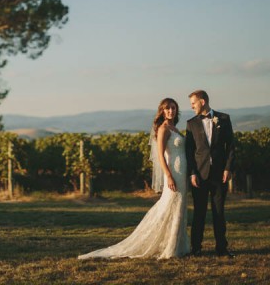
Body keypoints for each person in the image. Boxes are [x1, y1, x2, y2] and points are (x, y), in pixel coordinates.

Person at [78, 98, 190, 260]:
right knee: (170, 206)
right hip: (173, 172)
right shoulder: (163, 129)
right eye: (167, 109)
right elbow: (160, 156)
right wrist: (169, 176)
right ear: (162, 111)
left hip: (182, 172)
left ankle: (178, 245)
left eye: (173, 108)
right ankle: (169, 248)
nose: (171, 111)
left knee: (179, 207)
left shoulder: (175, 128)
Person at [185, 90, 235, 258]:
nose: (192, 107)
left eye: (194, 103)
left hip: (219, 175)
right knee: (199, 213)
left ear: (203, 101)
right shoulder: (190, 123)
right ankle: (196, 248)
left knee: (219, 213)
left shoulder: (224, 119)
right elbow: (189, 151)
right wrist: (192, 173)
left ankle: (222, 248)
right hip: (199, 175)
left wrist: (228, 168)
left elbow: (231, 146)